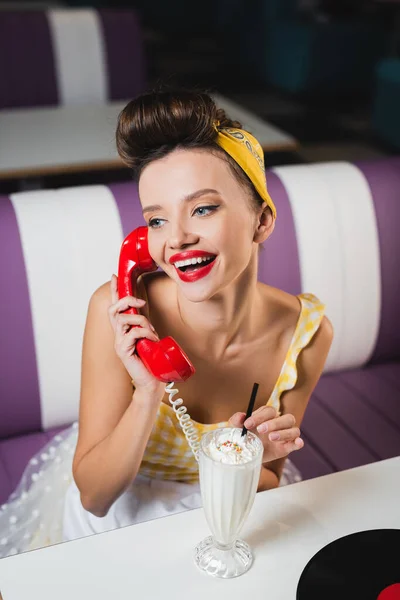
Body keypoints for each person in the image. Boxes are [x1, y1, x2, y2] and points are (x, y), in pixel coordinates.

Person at [0, 87, 333, 557]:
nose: (176, 238)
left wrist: (249, 457)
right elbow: (94, 498)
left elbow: (269, 480)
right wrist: (148, 391)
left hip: (221, 516)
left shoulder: (309, 334)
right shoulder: (117, 309)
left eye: (202, 208)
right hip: (118, 515)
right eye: (156, 220)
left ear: (261, 221)